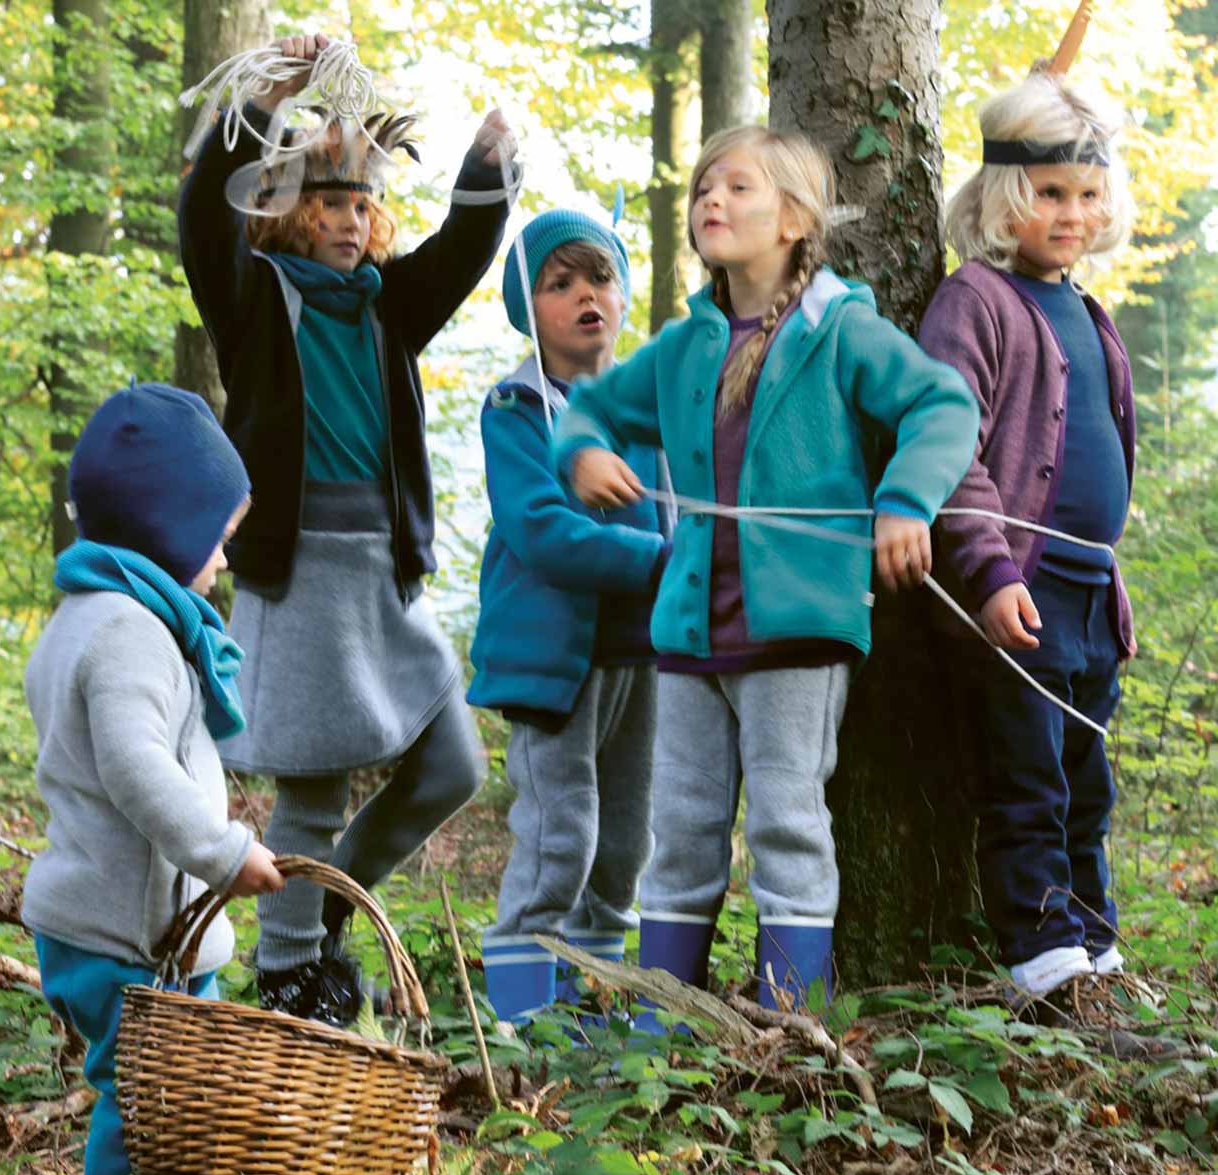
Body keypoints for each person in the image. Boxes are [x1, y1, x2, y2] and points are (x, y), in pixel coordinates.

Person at [553, 126, 978, 1015]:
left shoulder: (840, 328)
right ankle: (666, 1019)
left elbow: (941, 404)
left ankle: (794, 1018)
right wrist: (582, 453)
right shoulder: (683, 345)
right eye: (704, 185)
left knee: (788, 821)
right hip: (689, 632)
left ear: (792, 218)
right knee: (683, 830)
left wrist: (905, 502)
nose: (713, 200)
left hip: (797, 627)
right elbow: (588, 407)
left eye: (737, 187)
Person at [178, 33, 516, 1025]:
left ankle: (314, 921)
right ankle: (289, 972)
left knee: (452, 761)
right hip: (302, 579)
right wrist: (265, 99)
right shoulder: (253, 298)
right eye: (325, 200)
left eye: (360, 203)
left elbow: (458, 251)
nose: (345, 217)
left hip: (383, 577)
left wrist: (487, 167)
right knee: (315, 793)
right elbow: (204, 211)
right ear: (287, 209)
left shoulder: (384, 306)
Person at [21, 383, 290, 1175]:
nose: (224, 554)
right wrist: (222, 852)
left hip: (124, 924)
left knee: (183, 1088)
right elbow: (138, 773)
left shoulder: (89, 615)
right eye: (217, 533)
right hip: (126, 933)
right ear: (167, 526)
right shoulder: (129, 632)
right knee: (148, 1094)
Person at [919, 71, 1138, 1013]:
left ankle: (1093, 937)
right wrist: (993, 570)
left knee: (1087, 778)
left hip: (1090, 589)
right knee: (1028, 773)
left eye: (1087, 196)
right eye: (1050, 194)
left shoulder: (1088, 312)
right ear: (1006, 195)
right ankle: (1041, 950)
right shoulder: (975, 300)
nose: (1071, 214)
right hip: (1023, 587)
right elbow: (943, 448)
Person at [467, 210, 669, 1024]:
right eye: (562, 283)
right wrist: (662, 563)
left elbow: (681, 516)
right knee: (563, 839)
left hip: (643, 656)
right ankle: (518, 1013)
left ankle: (591, 998)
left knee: (625, 846)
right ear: (529, 306)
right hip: (553, 664)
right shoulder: (517, 408)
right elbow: (542, 534)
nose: (588, 295)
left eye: (602, 278)